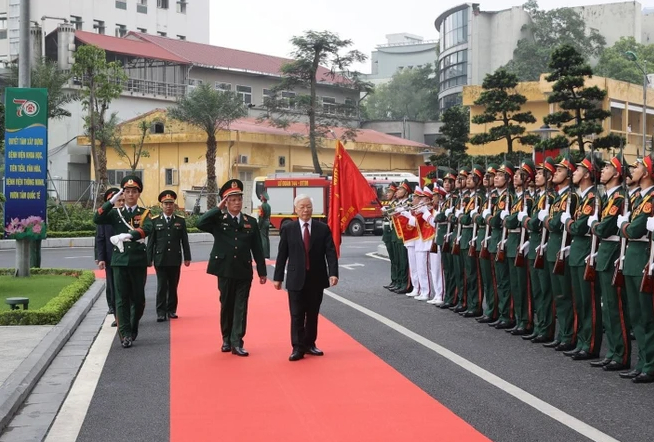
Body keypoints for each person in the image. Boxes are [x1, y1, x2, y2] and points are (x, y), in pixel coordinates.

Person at [197, 179, 267, 357]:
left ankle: (237, 342)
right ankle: (226, 339)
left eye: (239, 199)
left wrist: (262, 271)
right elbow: (200, 223)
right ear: (226, 201)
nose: (237, 203)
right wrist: (217, 208)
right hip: (225, 270)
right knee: (226, 304)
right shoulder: (219, 220)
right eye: (232, 199)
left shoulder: (249, 221)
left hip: (244, 270)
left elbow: (257, 248)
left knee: (241, 307)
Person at [273, 194, 339, 361]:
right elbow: (282, 255)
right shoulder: (288, 229)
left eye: (308, 206)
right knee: (296, 314)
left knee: (312, 314)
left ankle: (310, 344)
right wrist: (278, 277)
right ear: (295, 210)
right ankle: (297, 347)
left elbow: (330, 252)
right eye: (302, 207)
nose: (305, 210)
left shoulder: (322, 228)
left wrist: (333, 273)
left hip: (316, 278)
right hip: (296, 278)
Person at [93, 176, 153, 349]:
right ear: (123, 193)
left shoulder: (144, 213)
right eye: (127, 191)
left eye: (134, 191)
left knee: (139, 300)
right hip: (119, 261)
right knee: (121, 300)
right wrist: (110, 201)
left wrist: (129, 235)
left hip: (137, 261)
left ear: (138, 193)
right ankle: (125, 334)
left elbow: (147, 228)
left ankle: (133, 328)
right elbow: (97, 219)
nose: (130, 194)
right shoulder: (115, 213)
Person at [147, 190, 191, 322]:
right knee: (161, 287)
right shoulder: (155, 221)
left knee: (173, 286)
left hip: (174, 259)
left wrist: (187, 257)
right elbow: (151, 242)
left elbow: (184, 240)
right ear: (161, 205)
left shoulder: (180, 221)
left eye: (171, 203)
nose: (168, 206)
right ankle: (161, 312)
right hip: (160, 259)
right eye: (166, 204)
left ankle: (171, 310)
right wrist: (148, 259)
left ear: (174, 205)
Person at [95, 187, 125, 327]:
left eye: (122, 200)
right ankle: (116, 314)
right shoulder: (105, 218)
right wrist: (100, 257)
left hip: (126, 258)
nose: (121, 203)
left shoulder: (128, 215)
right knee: (113, 288)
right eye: (118, 200)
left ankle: (127, 315)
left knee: (126, 288)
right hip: (110, 258)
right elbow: (100, 239)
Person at [259, 192, 271, 259]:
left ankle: (264, 254)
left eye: (261, 196)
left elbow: (261, 216)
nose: (260, 197)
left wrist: (259, 225)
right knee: (267, 237)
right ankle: (268, 253)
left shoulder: (262, 206)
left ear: (263, 198)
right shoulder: (269, 206)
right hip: (267, 222)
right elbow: (269, 216)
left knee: (263, 238)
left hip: (263, 223)